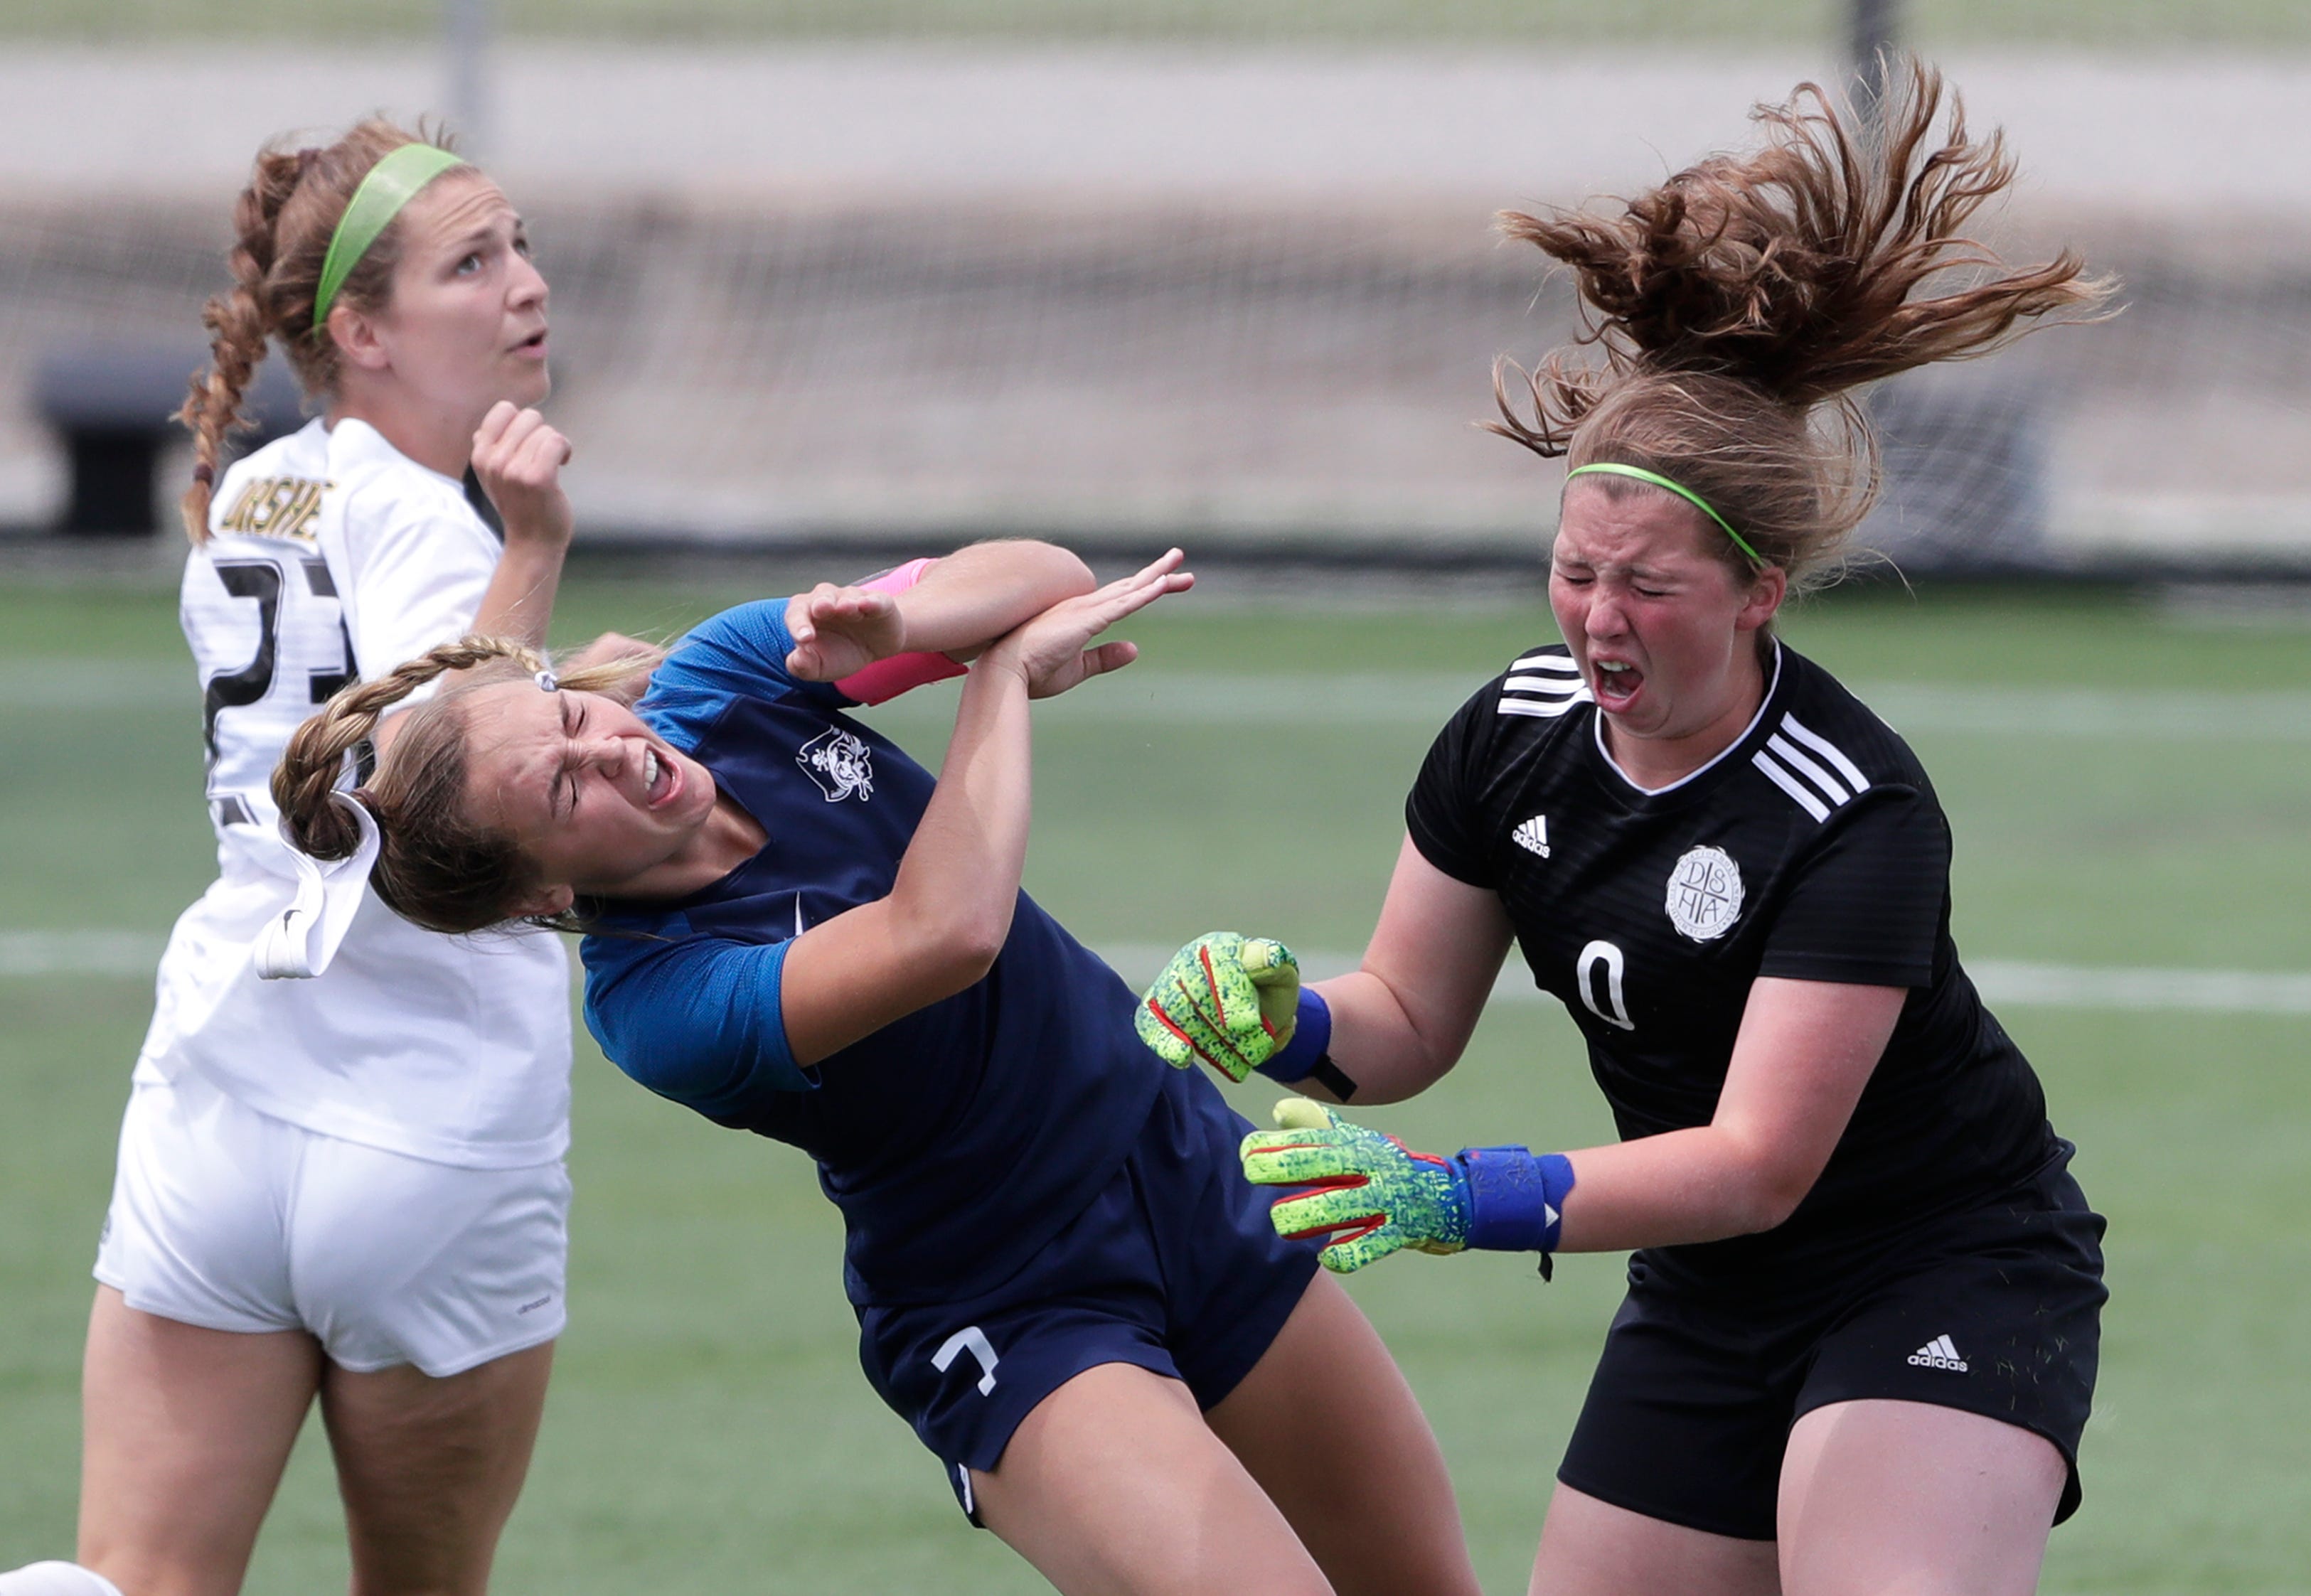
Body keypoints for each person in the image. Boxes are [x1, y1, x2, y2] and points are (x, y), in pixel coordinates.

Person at [1139, 63, 2110, 1596]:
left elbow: (1752, 1165)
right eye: (1575, 569)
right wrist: (1283, 1018)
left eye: (1645, 584)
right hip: (1711, 1296)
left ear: (1754, 593)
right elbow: (1401, 1019)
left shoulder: (1851, 806)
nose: (1597, 617)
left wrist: (1459, 1195)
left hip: (1940, 1265)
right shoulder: (1512, 735)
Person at [264, 544, 1484, 1596]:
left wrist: (910, 626)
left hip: (1181, 1161)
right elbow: (943, 929)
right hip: (1012, 1303)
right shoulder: (658, 1004)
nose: (615, 749)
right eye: (564, 784)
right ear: (540, 890)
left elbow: (1045, 577)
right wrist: (994, 675)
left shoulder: (720, 684)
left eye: (578, 718)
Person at [0, 122, 609, 1596]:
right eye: (473, 263)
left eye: (519, 245)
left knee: (131, 1580)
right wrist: (531, 551)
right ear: (360, 329)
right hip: (426, 1110)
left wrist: (576, 667)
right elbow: (430, 784)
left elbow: (360, 728)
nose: (526, 286)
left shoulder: (264, 488)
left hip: (222, 1096)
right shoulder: (426, 516)